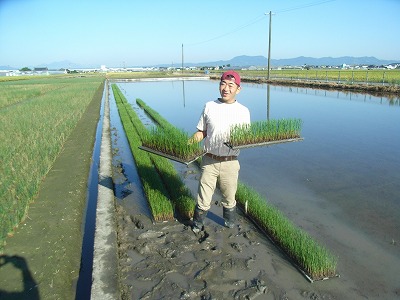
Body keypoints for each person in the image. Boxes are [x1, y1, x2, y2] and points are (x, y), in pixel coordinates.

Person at [191, 70, 250, 233]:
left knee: (229, 197)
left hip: (230, 162)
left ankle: (229, 224)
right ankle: (197, 224)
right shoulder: (209, 106)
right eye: (223, 83)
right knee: (203, 196)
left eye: (231, 85)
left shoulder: (243, 111)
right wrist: (188, 144)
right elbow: (201, 132)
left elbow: (246, 138)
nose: (226, 88)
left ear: (238, 89)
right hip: (209, 160)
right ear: (219, 86)